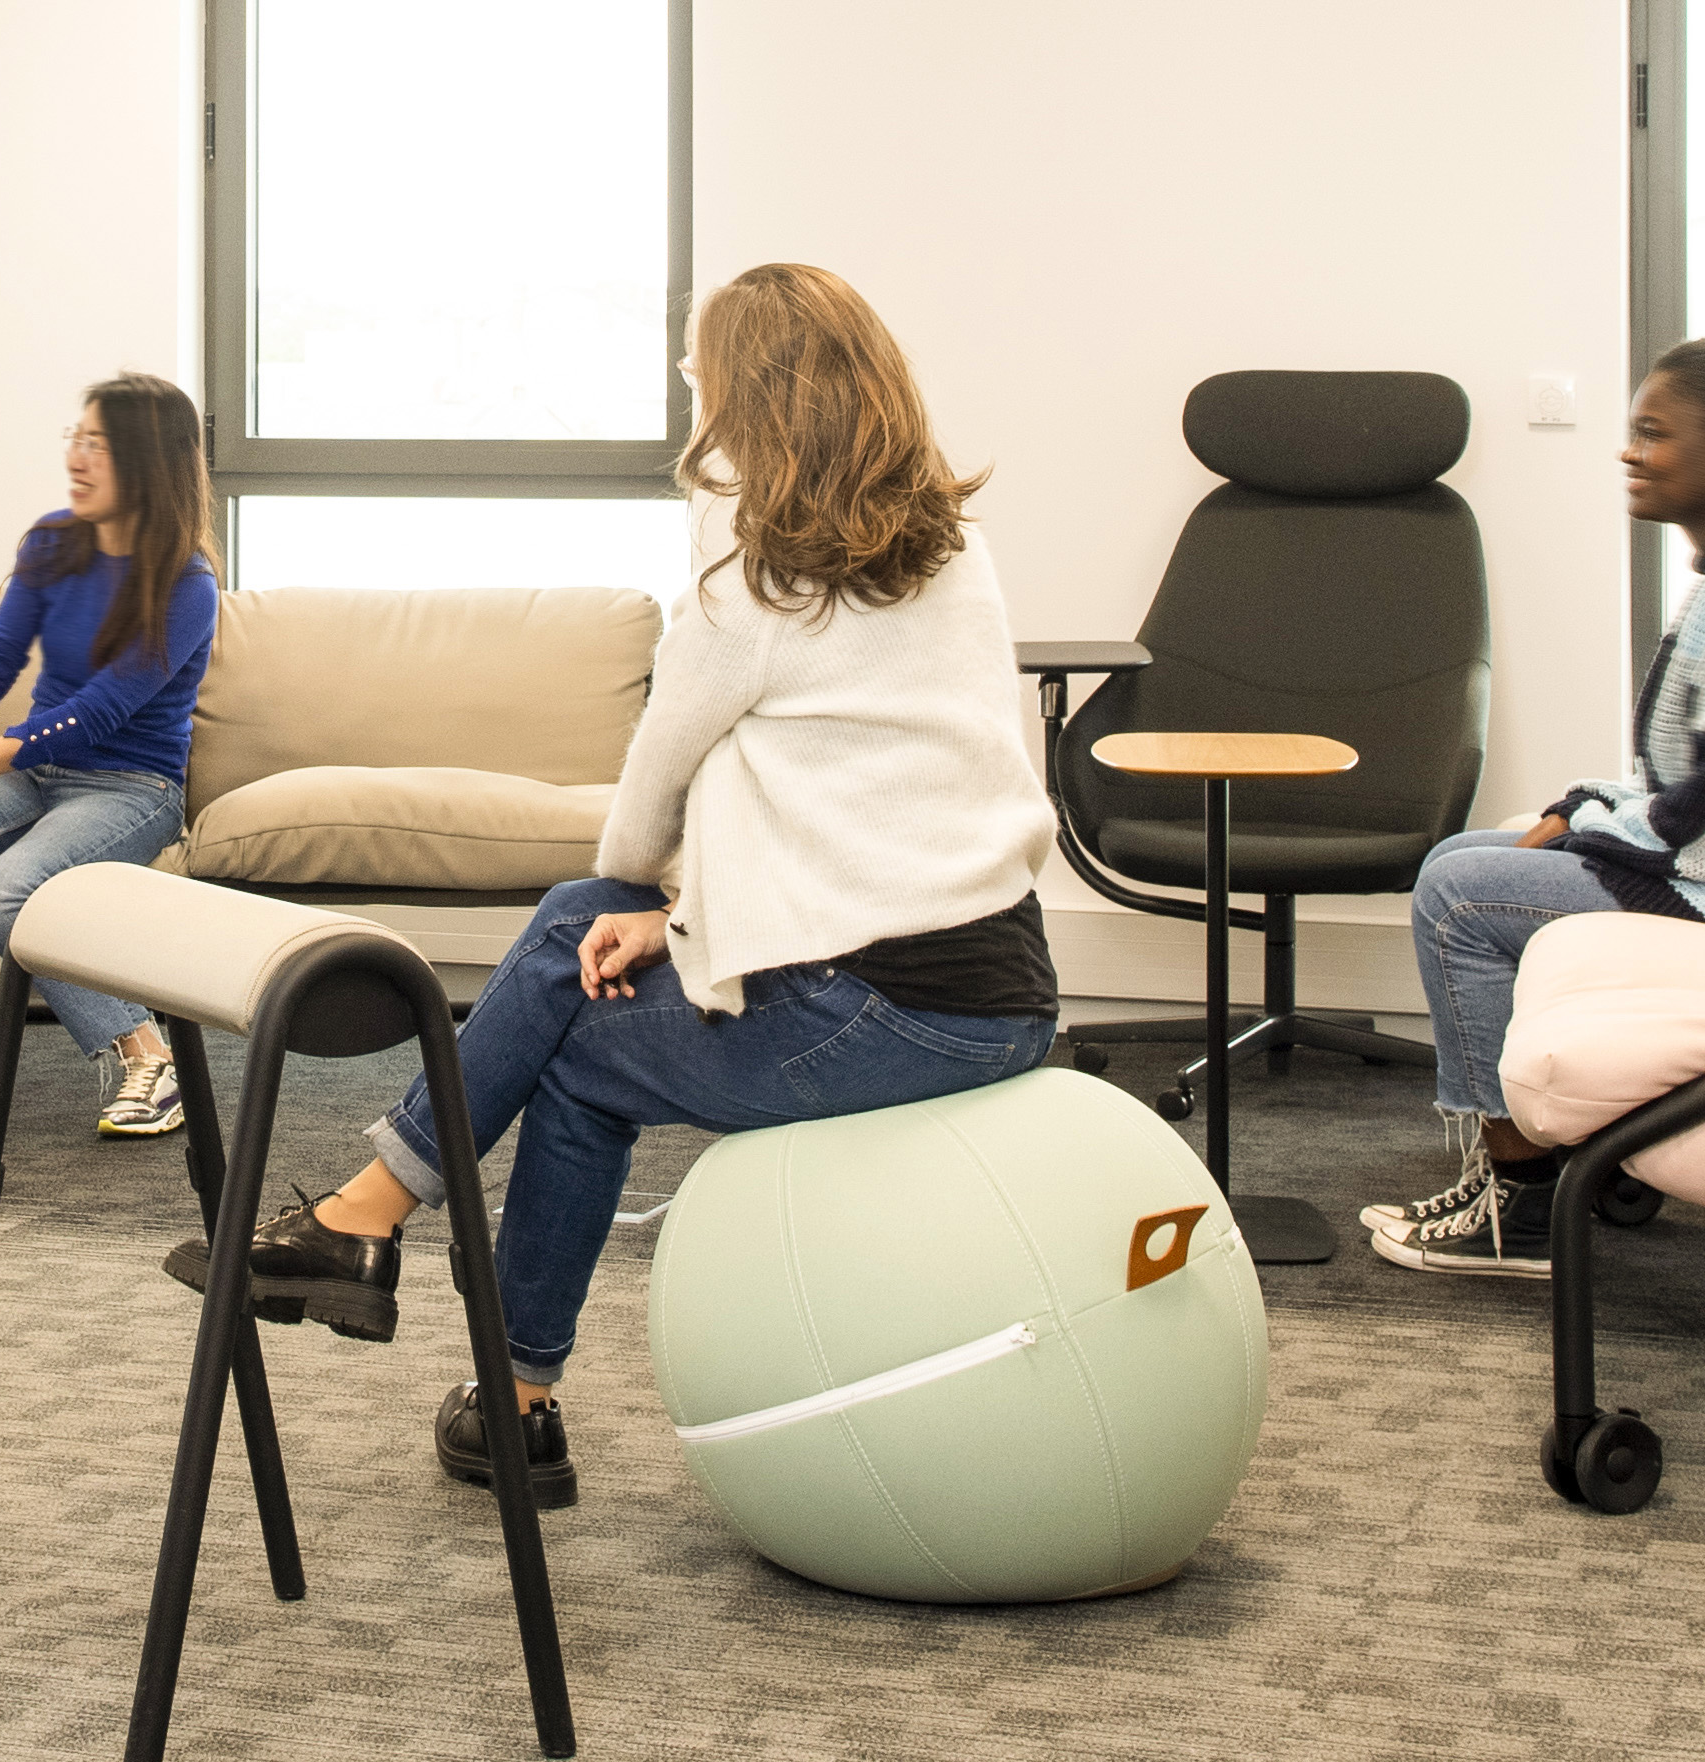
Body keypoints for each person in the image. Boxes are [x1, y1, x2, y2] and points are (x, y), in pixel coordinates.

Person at [182, 264, 1065, 1508]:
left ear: (746, 397)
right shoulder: (949, 548)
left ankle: (458, 1330)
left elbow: (646, 803)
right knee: (574, 936)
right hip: (996, 987)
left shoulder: (752, 576)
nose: (689, 389)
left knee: (571, 1031)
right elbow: (865, 810)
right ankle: (398, 1261)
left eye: (701, 370)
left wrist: (636, 902)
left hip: (889, 1013)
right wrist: (670, 921)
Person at [1362, 336, 1705, 1280]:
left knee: (1458, 896)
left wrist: (1585, 827)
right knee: (1468, 854)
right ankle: (1567, 1155)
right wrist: (1581, 809)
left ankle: (1524, 1206)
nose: (1630, 452)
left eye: (1655, 433)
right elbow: (1704, 784)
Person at [0, 377, 218, 1141]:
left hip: (132, 788)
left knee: (5, 896)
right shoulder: (53, 543)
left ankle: (150, 1056)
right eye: (75, 439)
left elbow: (97, 714)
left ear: (150, 461)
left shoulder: (188, 584)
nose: (77, 458)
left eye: (99, 445)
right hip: (36, 774)